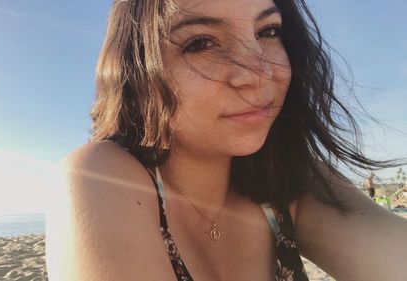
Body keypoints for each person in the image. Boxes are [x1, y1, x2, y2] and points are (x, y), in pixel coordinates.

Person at [46, 0, 407, 280]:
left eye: (268, 31)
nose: (260, 72)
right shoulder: (102, 177)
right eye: (201, 42)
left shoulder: (291, 183)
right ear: (137, 72)